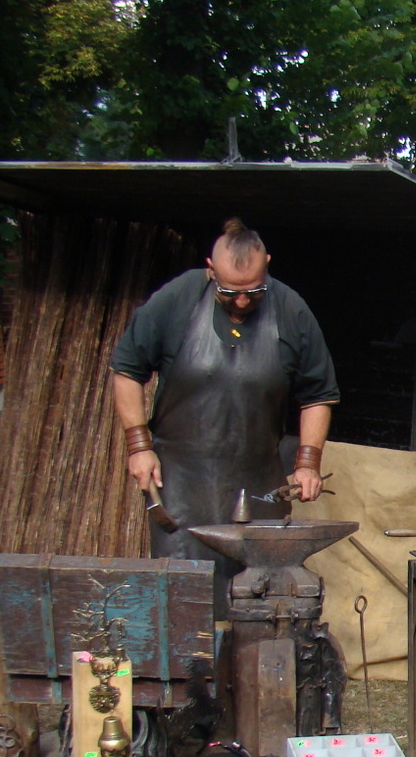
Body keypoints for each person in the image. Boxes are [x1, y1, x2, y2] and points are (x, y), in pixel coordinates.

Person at [110, 218, 339, 610]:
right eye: (230, 291)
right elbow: (127, 370)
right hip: (181, 482)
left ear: (267, 264)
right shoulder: (178, 299)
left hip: (259, 481)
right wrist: (139, 447)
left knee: (259, 599)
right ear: (210, 269)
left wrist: (307, 462)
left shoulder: (291, 309)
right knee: (185, 602)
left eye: (254, 290)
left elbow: (318, 394)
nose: (242, 301)